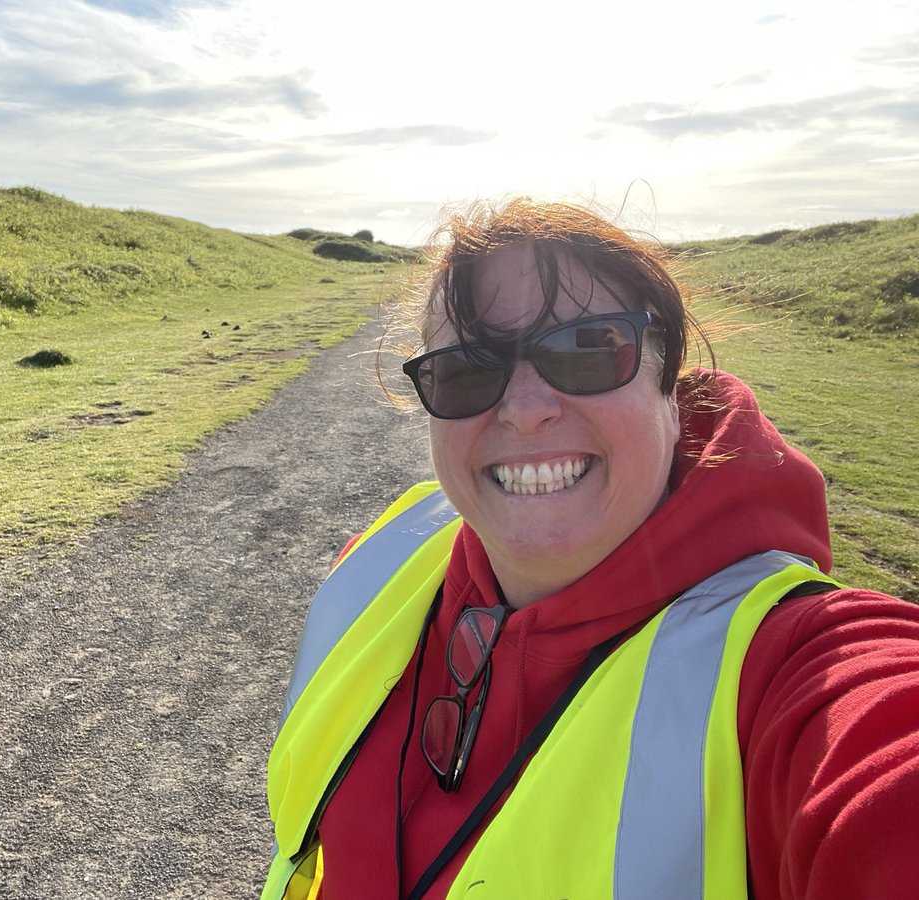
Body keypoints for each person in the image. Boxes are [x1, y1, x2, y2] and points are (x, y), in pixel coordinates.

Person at [262, 198, 919, 899]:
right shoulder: (383, 556)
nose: (523, 408)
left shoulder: (790, 667)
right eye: (467, 370)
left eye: (587, 348)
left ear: (672, 393)